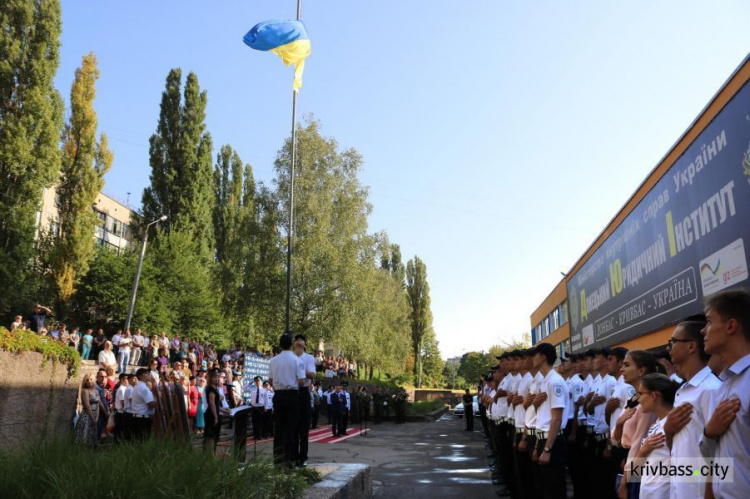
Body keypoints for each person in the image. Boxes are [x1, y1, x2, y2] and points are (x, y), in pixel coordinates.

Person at [662, 318, 721, 498]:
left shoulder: (711, 389)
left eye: (672, 342)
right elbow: (680, 448)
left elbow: (718, 453)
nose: (668, 348)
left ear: (691, 346)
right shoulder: (682, 391)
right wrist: (668, 430)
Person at [700, 288, 750, 499]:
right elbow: (711, 456)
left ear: (731, 326)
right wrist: (709, 433)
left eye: (710, 322)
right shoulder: (723, 385)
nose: (703, 331)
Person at [530, 343, 568, 499]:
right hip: (544, 439)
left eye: (535, 355)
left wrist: (547, 450)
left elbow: (556, 419)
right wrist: (538, 446)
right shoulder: (545, 381)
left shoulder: (554, 382)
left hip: (553, 442)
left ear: (543, 357)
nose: (532, 358)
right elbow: (543, 418)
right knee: (546, 488)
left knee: (555, 489)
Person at [633, 373, 679, 499]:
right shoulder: (657, 424)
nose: (639, 399)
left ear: (654, 395)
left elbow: (692, 468)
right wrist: (642, 452)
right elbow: (636, 472)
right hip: (647, 492)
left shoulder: (673, 425)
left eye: (641, 394)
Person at [268, 332, 305, 466]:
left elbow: (271, 380)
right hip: (292, 395)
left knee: (278, 429)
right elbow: (301, 381)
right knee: (290, 429)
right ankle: (289, 460)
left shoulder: (273, 360)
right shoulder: (297, 360)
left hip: (278, 395)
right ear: (291, 345)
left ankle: (277, 460)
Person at [74, 374, 107, 446]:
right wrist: (93, 418)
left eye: (90, 379)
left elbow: (99, 403)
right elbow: (87, 406)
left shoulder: (96, 391)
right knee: (84, 436)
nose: (89, 381)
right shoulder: (85, 391)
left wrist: (98, 416)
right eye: (87, 380)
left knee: (92, 436)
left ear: (94, 380)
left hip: (95, 415)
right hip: (87, 415)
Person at [129, 368, 156, 441]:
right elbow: (150, 404)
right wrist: (161, 400)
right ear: (140, 376)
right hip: (142, 418)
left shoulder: (139, 386)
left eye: (148, 373)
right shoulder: (143, 388)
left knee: (139, 440)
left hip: (139, 417)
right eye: (146, 373)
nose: (148, 375)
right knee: (142, 440)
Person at [247, 375, 267, 441]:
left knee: (260, 422)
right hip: (254, 407)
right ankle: (255, 435)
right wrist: (249, 384)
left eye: (259, 381)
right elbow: (243, 388)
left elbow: (266, 400)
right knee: (254, 422)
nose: (257, 382)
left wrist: (265, 407)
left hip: (261, 407)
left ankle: (259, 435)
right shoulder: (252, 388)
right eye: (256, 381)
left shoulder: (264, 390)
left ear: (261, 382)